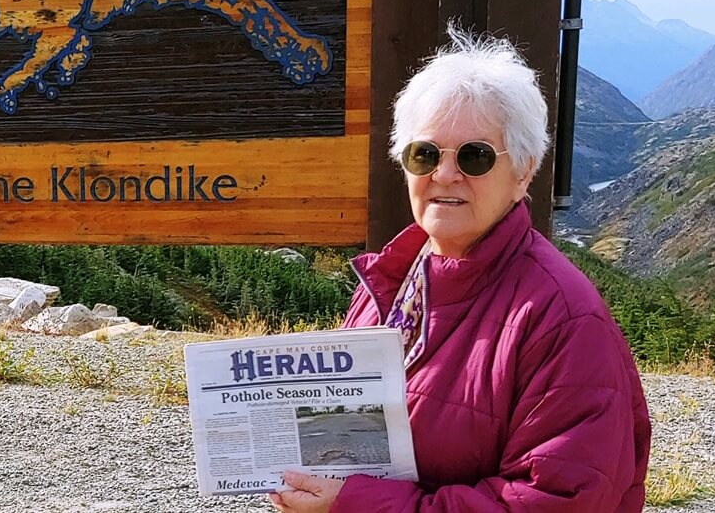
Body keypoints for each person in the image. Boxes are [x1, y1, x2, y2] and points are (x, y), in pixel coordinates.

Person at [271, 28, 650, 513]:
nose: (445, 174)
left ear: (523, 173)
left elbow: (554, 501)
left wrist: (358, 505)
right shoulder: (393, 279)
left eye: (475, 156)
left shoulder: (563, 318)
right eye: (424, 153)